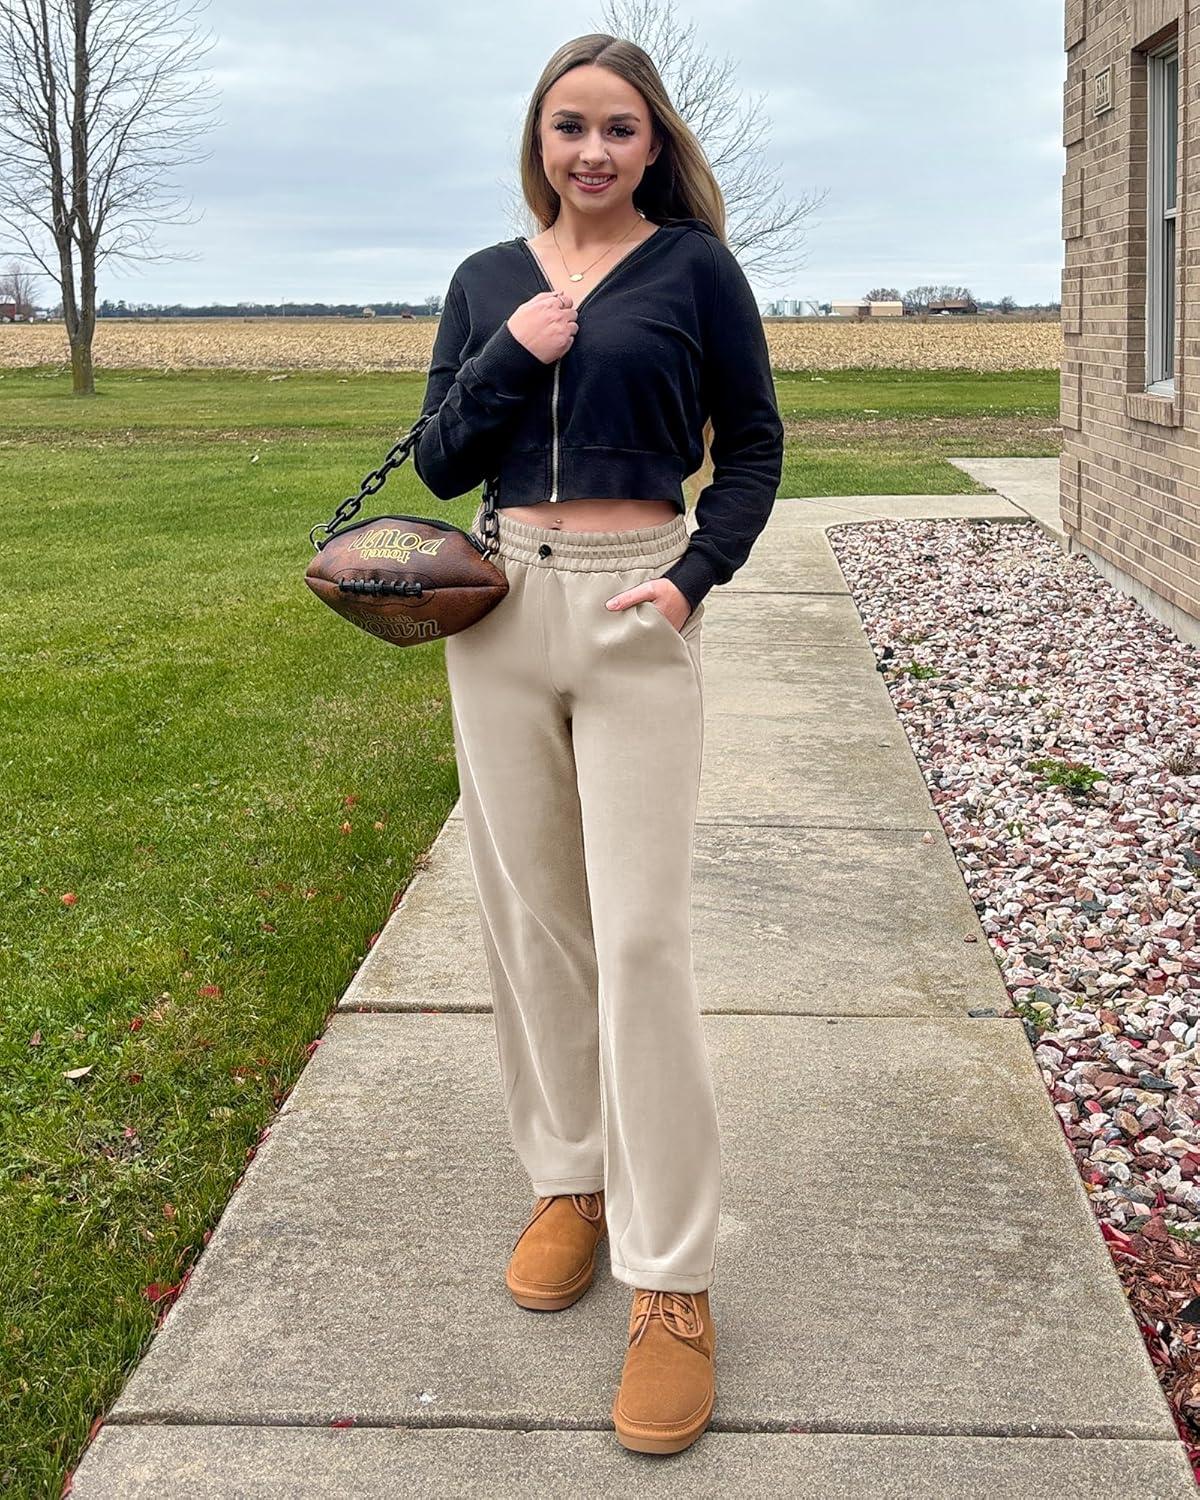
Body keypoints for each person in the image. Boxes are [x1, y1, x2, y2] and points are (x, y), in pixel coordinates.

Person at [413, 32, 783, 1456]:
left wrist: (693, 581)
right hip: (499, 609)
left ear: (652, 143)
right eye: (569, 126)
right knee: (535, 926)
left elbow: (753, 446)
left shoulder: (694, 272)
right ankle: (571, 1179)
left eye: (618, 128)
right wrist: (513, 353)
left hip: (636, 608)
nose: (592, 151)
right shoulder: (484, 280)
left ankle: (672, 1276)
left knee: (638, 941)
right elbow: (440, 458)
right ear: (540, 139)